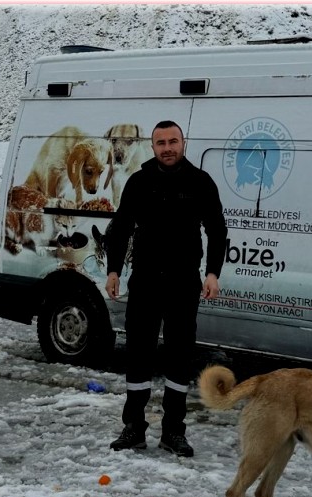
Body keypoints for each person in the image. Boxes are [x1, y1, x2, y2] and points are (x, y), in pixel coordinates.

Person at [103, 120, 227, 457]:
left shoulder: (200, 183)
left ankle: (173, 431)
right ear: (152, 146)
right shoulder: (139, 182)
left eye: (173, 141)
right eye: (161, 142)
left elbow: (217, 230)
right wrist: (113, 269)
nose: (167, 147)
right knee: (139, 355)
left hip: (183, 283)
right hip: (144, 282)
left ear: (183, 143)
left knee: (179, 357)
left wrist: (213, 273)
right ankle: (134, 429)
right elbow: (120, 228)